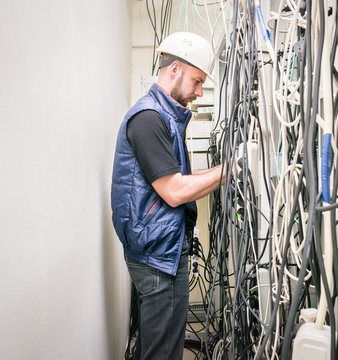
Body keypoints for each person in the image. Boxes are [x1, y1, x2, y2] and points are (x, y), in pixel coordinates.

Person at [111, 32, 228, 360]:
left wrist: (226, 167)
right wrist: (231, 169)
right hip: (155, 254)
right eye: (197, 81)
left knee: (162, 343)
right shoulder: (148, 118)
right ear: (174, 69)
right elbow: (175, 191)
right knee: (161, 350)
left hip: (165, 248)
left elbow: (178, 181)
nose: (199, 91)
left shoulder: (166, 117)